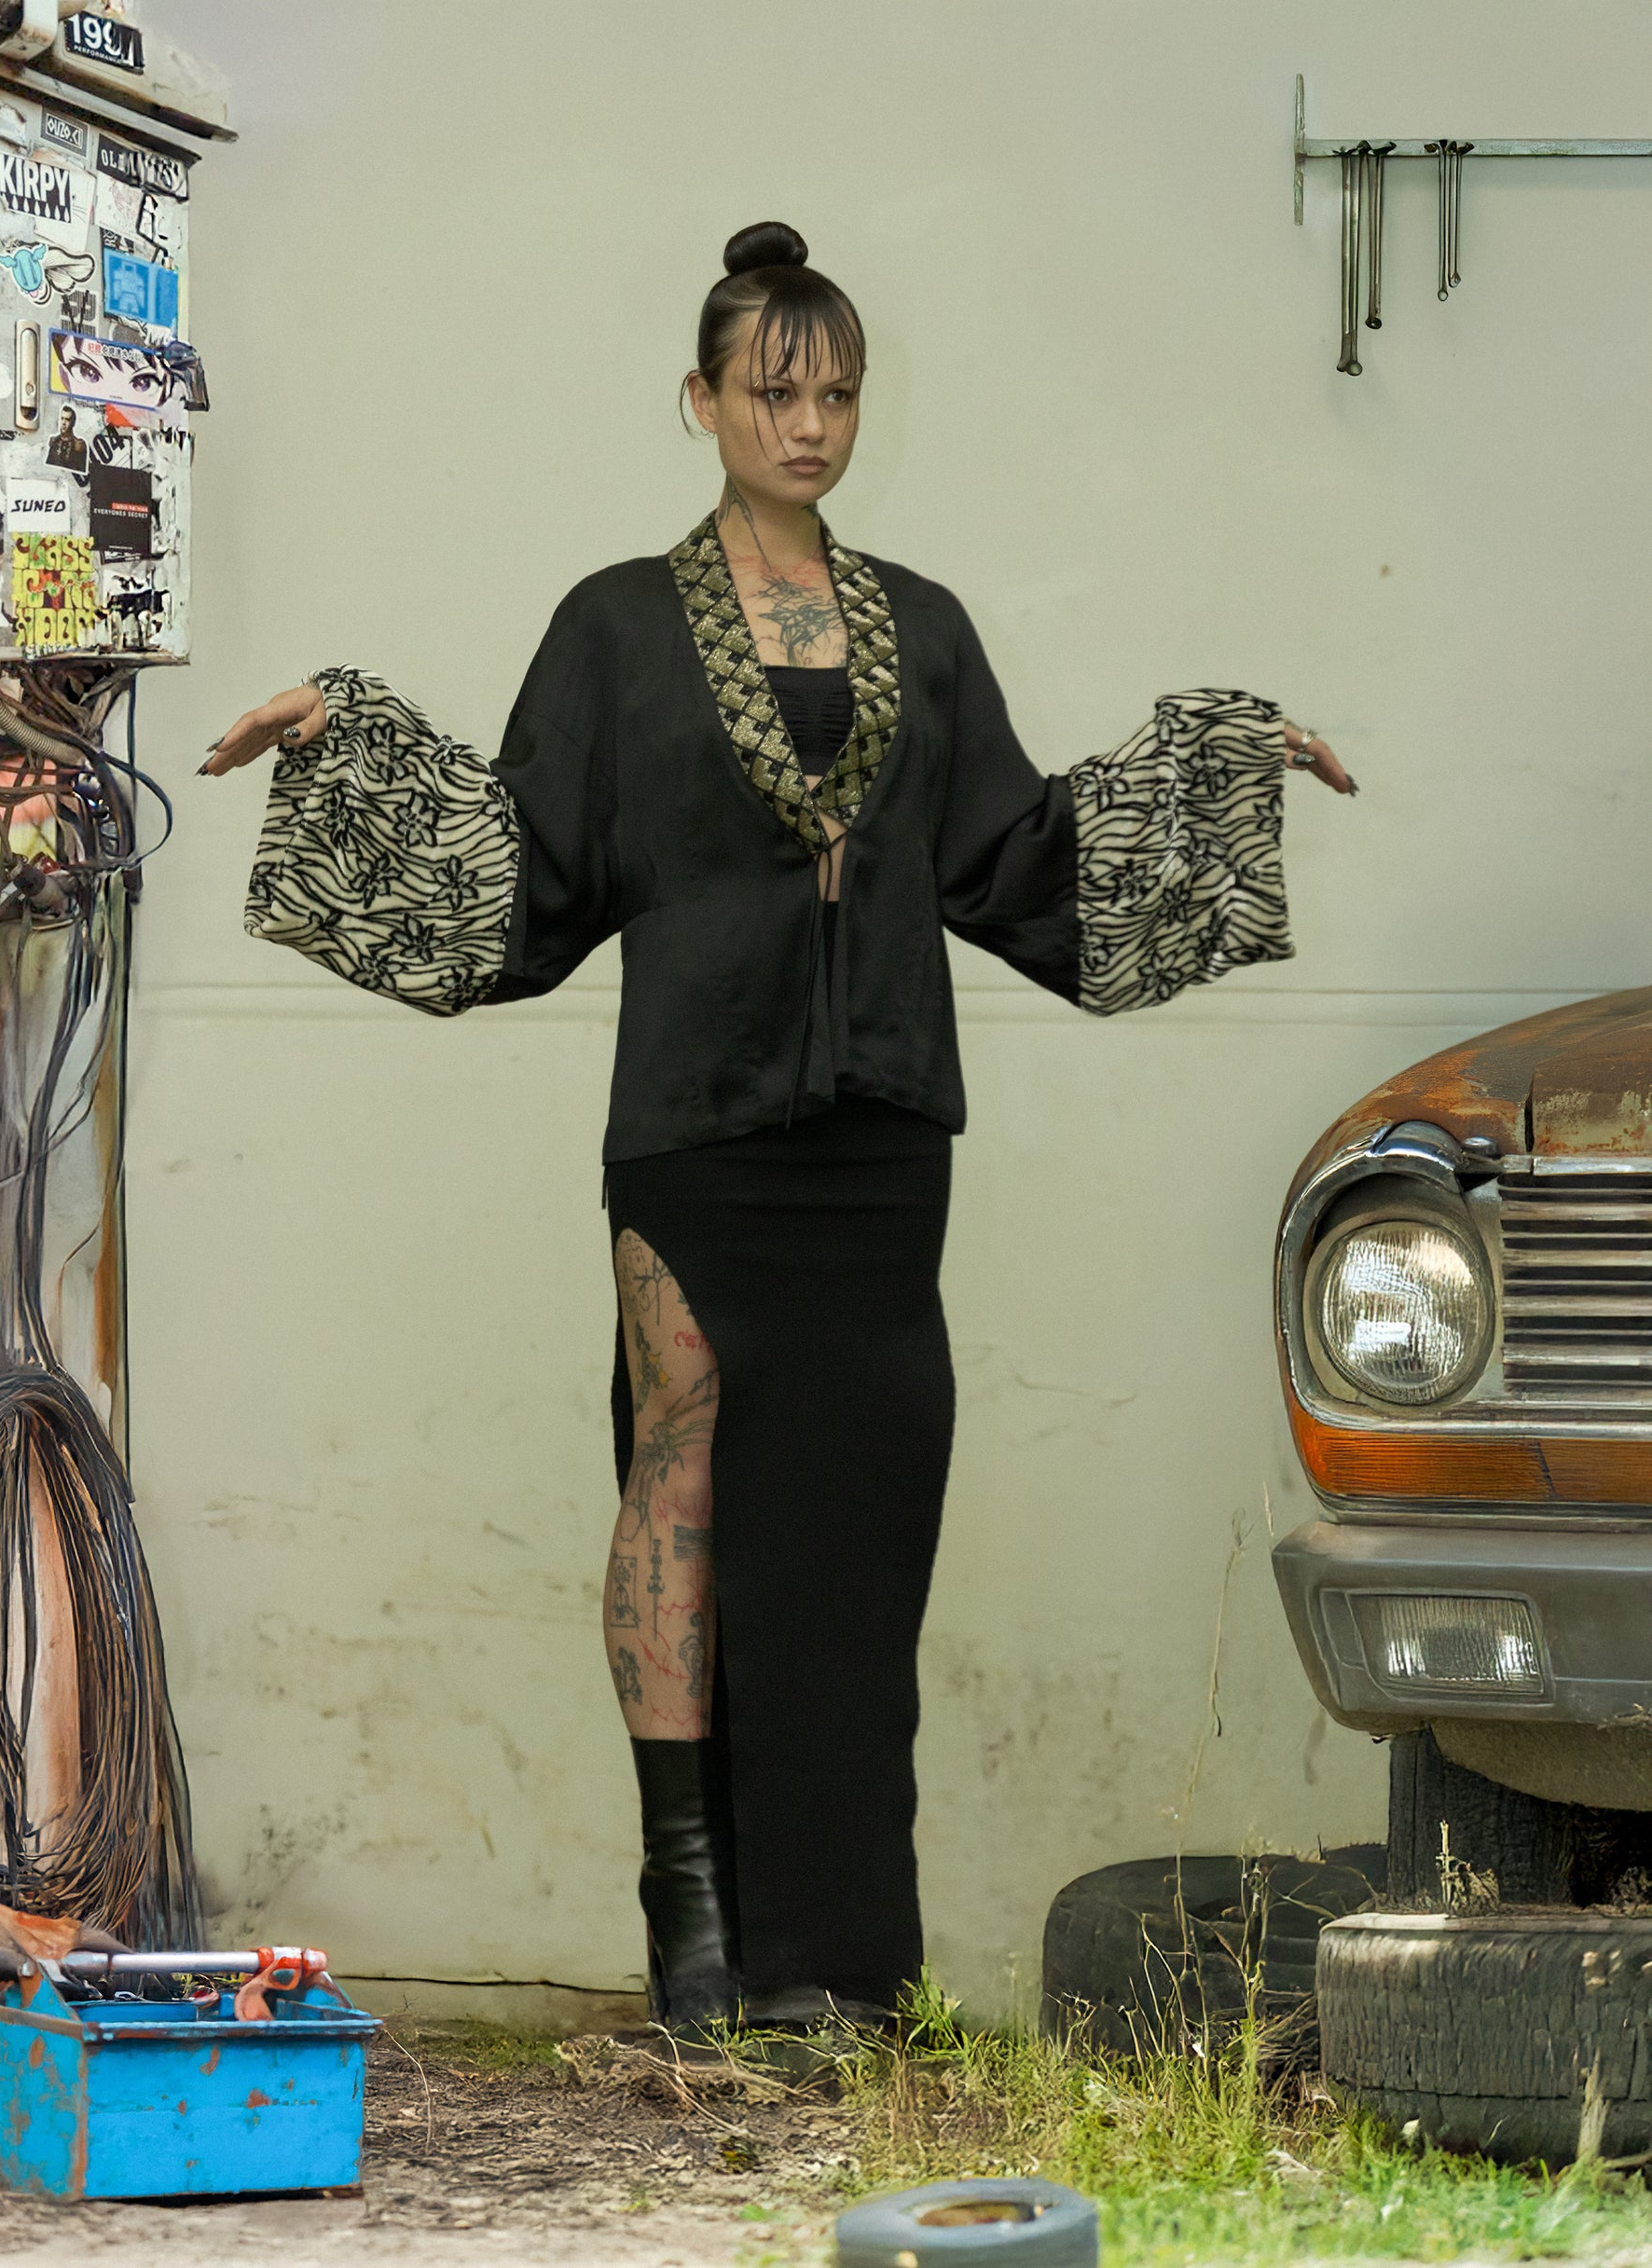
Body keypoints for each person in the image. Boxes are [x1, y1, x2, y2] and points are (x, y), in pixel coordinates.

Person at [204, 220, 1353, 2038]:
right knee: (679, 1466)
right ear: (701, 399)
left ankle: (831, 1962)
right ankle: (692, 1919)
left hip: (879, 1140)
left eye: (837, 394)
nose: (807, 424)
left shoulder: (925, 628)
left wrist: (1219, 757)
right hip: (696, 1126)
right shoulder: (614, 626)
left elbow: (1017, 857)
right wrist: (347, 735)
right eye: (772, 390)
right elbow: (527, 865)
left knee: (850, 1536)